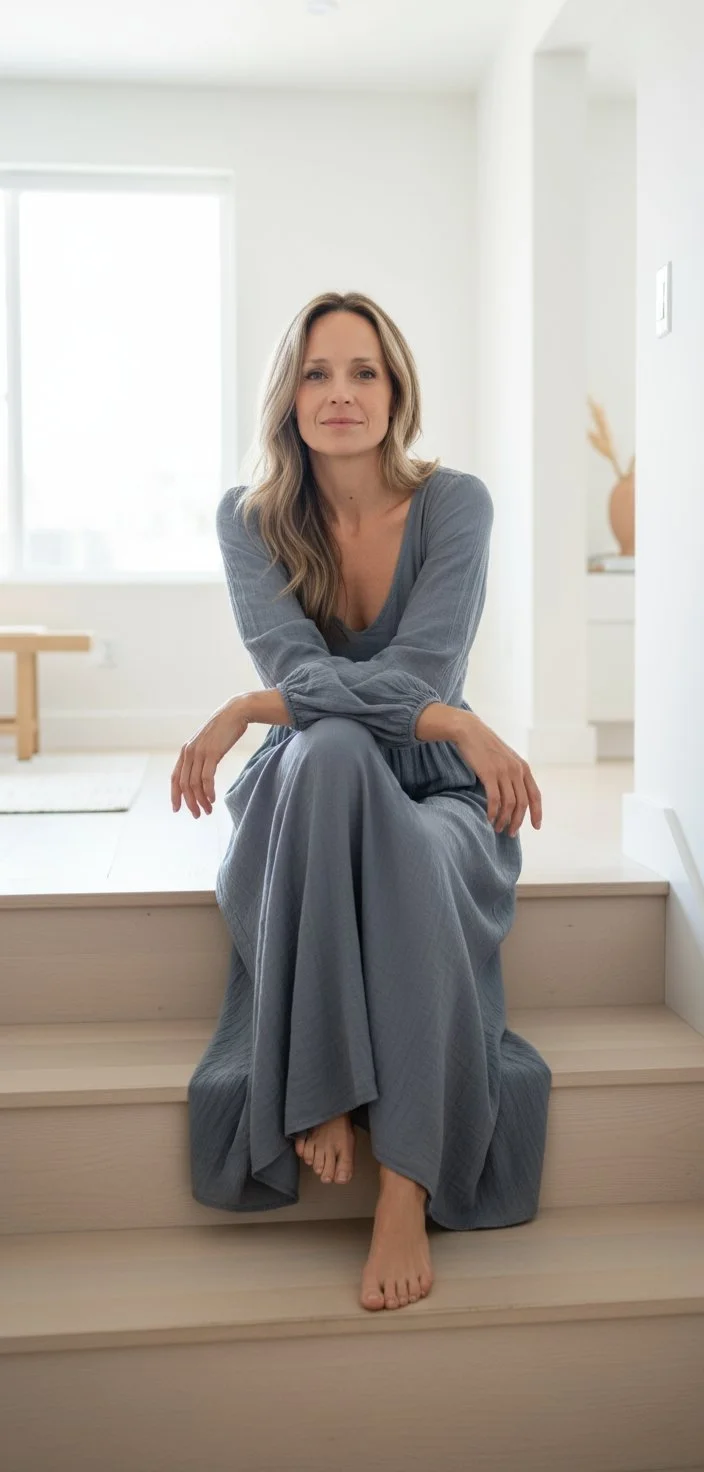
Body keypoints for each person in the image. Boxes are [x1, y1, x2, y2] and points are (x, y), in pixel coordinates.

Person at [172, 290, 552, 1314]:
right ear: (288, 396)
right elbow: (308, 675)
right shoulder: (248, 518)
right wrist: (439, 715)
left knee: (397, 829)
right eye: (317, 373)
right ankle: (328, 1084)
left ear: (396, 391)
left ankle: (406, 1183)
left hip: (433, 790)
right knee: (333, 747)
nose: (340, 393)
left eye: (363, 372)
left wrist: (253, 706)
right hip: (309, 793)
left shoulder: (455, 504)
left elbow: (417, 672)